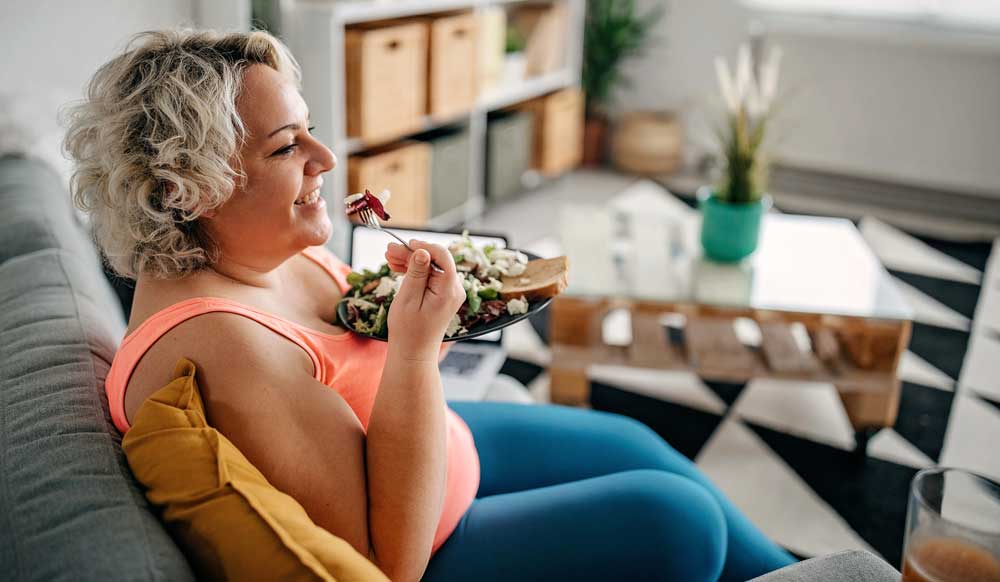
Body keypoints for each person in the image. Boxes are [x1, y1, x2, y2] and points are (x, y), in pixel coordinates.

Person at [64, 28, 795, 582]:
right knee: (679, 521)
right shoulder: (229, 349)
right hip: (434, 540)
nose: (325, 160)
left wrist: (423, 317)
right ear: (185, 188)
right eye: (287, 148)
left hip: (438, 450)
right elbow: (390, 560)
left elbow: (367, 365)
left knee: (635, 443)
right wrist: (414, 351)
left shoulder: (259, 251)